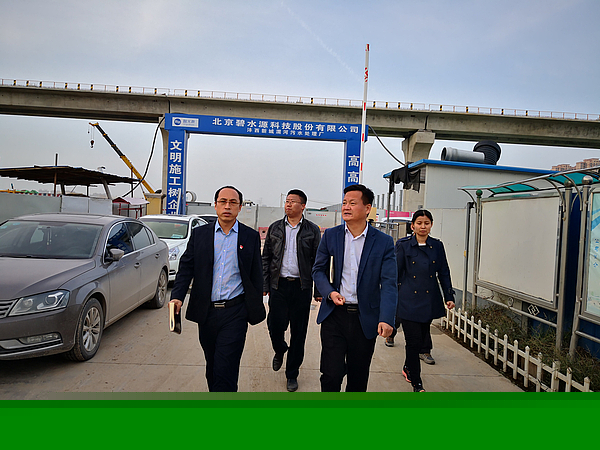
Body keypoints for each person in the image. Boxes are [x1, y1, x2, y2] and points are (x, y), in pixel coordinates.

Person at [169, 186, 265, 392]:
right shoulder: (200, 234)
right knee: (212, 365)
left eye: (233, 202)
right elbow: (186, 267)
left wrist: (253, 306)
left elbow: (256, 274)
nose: (227, 206)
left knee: (226, 367)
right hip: (207, 312)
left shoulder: (249, 236)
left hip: (235, 312)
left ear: (240, 207)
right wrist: (177, 296)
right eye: (223, 201)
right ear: (215, 205)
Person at [312, 184, 398, 392]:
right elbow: (318, 270)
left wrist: (386, 318)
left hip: (364, 318)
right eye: (344, 203)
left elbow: (389, 283)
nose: (346, 207)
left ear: (367, 208)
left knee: (358, 378)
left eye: (352, 203)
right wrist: (330, 292)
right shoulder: (331, 235)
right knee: (331, 375)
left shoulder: (383, 242)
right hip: (335, 315)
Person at [262, 189, 322, 392]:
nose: (288, 204)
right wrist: (265, 285)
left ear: (303, 206)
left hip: (301, 287)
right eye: (287, 201)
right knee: (274, 325)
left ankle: (292, 374)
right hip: (278, 286)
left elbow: (318, 261)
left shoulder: (312, 230)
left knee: (298, 333)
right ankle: (280, 348)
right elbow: (266, 258)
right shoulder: (275, 228)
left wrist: (318, 290)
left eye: (292, 201)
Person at [395, 209, 455, 392]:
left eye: (426, 223)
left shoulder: (437, 246)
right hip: (408, 299)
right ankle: (417, 382)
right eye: (419, 223)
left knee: (420, 339)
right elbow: (396, 273)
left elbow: (444, 272)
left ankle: (408, 367)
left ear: (431, 225)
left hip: (428, 298)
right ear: (412, 226)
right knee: (413, 342)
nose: (423, 226)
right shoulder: (403, 245)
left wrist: (449, 296)